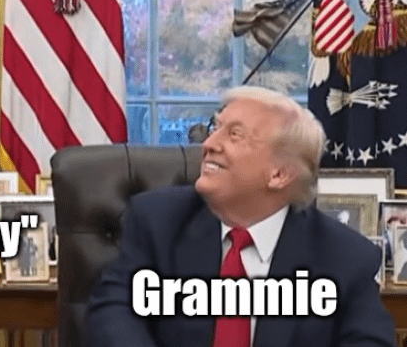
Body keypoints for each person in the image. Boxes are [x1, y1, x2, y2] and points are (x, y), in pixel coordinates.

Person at [84, 86, 394, 347]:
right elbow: (113, 311)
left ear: (279, 174)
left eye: (234, 135)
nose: (209, 144)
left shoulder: (345, 257)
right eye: (215, 127)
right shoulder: (157, 221)